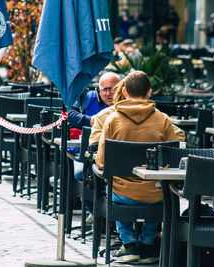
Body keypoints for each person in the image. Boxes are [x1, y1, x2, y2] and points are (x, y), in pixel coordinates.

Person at [95, 71, 180, 264]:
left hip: (122, 195)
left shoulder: (112, 120)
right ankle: (148, 243)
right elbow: (173, 159)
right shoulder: (164, 120)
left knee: (114, 185)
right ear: (149, 93)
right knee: (159, 188)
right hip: (156, 195)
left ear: (124, 91)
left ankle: (129, 243)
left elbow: (101, 162)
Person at [89, 80, 185, 145]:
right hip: (152, 171)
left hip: (117, 173)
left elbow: (95, 147)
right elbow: (180, 135)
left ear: (124, 93)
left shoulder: (104, 117)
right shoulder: (159, 117)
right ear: (148, 93)